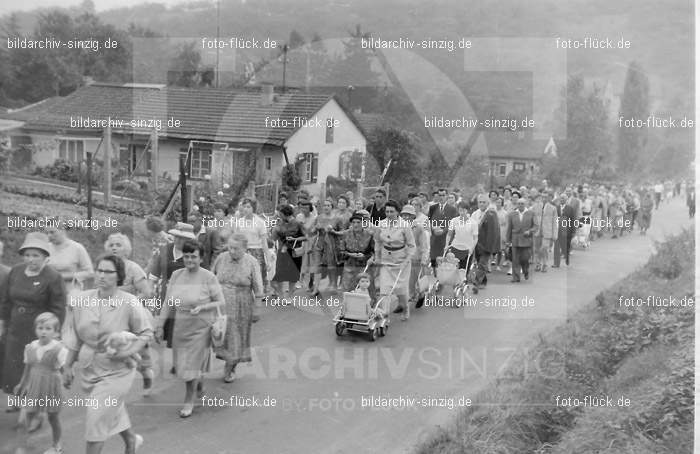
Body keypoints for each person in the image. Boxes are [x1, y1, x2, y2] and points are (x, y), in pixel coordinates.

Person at [62, 255, 152, 454]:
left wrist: (127, 351)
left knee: (96, 418)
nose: (102, 275)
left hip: (119, 370)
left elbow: (145, 333)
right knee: (111, 409)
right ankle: (131, 441)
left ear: (119, 276)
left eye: (108, 272)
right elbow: (76, 336)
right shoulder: (83, 299)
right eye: (99, 270)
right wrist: (68, 365)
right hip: (90, 368)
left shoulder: (130, 302)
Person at [155, 240, 224, 417]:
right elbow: (168, 302)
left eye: (193, 256)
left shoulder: (209, 277)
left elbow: (220, 301)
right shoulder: (177, 275)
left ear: (201, 258)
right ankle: (198, 381)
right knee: (182, 364)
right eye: (186, 256)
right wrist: (160, 326)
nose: (189, 260)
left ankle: (189, 400)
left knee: (190, 365)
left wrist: (203, 307)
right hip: (181, 325)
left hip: (201, 326)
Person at [0, 232, 66, 399]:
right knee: (14, 364)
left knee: (37, 365)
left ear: (45, 256)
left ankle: (35, 402)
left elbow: (58, 308)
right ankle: (19, 396)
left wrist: (54, 332)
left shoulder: (53, 277)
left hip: (38, 329)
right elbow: (6, 300)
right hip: (15, 328)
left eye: (36, 255)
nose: (31, 259)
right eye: (27, 255)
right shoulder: (15, 271)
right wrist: (2, 322)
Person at [104, 232, 155, 395]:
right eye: (111, 245)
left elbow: (146, 292)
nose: (114, 248)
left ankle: (146, 373)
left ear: (126, 249)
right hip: (111, 315)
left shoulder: (133, 268)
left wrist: (128, 303)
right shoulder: (106, 267)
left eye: (118, 245)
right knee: (112, 350)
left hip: (134, 316)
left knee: (139, 351)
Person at [13, 312, 67, 454]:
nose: (43, 331)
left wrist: (67, 381)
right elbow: (28, 368)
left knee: (53, 417)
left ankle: (57, 445)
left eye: (48, 328)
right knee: (25, 417)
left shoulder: (59, 349)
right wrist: (21, 384)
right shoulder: (30, 347)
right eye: (40, 328)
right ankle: (21, 447)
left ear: (56, 332)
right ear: (36, 329)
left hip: (52, 387)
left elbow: (65, 370)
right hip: (34, 386)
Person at [211, 234, 263, 383]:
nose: (232, 251)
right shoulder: (221, 258)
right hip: (220, 303)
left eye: (236, 248)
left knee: (236, 338)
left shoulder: (252, 262)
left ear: (244, 249)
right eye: (230, 247)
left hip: (241, 305)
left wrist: (257, 310)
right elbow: (211, 277)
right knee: (220, 335)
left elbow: (258, 288)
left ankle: (230, 367)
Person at [149, 222, 195, 352]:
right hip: (165, 294)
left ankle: (180, 358)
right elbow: (154, 273)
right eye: (176, 236)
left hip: (184, 297)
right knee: (164, 325)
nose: (178, 240)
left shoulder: (193, 254)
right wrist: (149, 290)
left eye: (182, 238)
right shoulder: (165, 250)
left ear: (189, 239)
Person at [373, 200, 415, 320]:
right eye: (387, 211)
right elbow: (377, 241)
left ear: (398, 212)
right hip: (386, 260)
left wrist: (406, 261)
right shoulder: (381, 224)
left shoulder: (405, 226)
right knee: (384, 288)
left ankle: (405, 308)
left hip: (401, 261)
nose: (389, 214)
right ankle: (384, 313)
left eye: (392, 211)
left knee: (401, 290)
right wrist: (377, 257)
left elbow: (412, 246)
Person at [45, 226, 94, 297]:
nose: (49, 235)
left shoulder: (77, 248)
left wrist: (68, 276)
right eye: (47, 233)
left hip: (71, 291)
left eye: (52, 232)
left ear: (62, 230)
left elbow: (90, 273)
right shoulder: (45, 248)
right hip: (49, 291)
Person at [270, 205, 305, 297]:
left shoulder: (298, 223)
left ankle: (290, 295)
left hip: (294, 252)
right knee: (279, 275)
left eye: (280, 214)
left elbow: (305, 237)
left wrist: (294, 239)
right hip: (282, 252)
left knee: (292, 276)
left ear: (285, 214)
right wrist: (273, 230)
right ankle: (281, 295)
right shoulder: (279, 223)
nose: (279, 216)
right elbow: (273, 238)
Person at [310, 199, 344, 293]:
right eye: (324, 205)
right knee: (317, 266)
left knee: (331, 266)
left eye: (328, 205)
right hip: (319, 244)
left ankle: (333, 284)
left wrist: (333, 231)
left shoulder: (337, 219)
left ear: (332, 207)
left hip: (331, 245)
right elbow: (312, 232)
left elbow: (343, 233)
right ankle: (315, 289)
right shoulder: (319, 217)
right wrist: (315, 228)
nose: (326, 207)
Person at [400, 205, 429, 306]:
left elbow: (423, 245)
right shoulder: (399, 226)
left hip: (416, 257)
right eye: (404, 215)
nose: (406, 217)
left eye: (408, 215)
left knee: (417, 280)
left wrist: (424, 257)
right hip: (403, 258)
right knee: (404, 281)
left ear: (413, 216)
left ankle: (421, 295)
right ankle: (404, 301)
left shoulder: (418, 228)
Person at [338, 213, 374, 292]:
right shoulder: (346, 234)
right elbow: (341, 251)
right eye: (353, 222)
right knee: (347, 289)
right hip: (349, 265)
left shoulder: (369, 235)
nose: (355, 225)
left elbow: (375, 251)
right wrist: (351, 254)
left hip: (364, 266)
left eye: (358, 222)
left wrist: (368, 257)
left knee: (363, 289)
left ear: (363, 223)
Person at [506, 198, 538, 282]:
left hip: (526, 239)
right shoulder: (512, 214)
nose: (520, 205)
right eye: (519, 203)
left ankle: (525, 270)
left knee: (525, 258)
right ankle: (516, 277)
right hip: (515, 239)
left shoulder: (531, 213)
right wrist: (508, 240)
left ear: (526, 204)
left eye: (522, 203)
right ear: (517, 204)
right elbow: (509, 228)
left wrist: (530, 231)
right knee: (515, 259)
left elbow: (536, 226)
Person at [473, 195, 500, 292]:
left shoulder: (491, 214)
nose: (481, 204)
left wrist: (490, 247)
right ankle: (483, 281)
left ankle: (476, 282)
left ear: (488, 203)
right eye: (480, 202)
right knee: (480, 262)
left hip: (486, 244)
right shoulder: (475, 213)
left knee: (482, 263)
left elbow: (493, 231)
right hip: (476, 244)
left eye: (484, 202)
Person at [427, 188, 458, 270]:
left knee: (444, 261)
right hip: (434, 238)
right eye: (439, 195)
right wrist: (433, 228)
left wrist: (443, 230)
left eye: (443, 195)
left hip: (445, 239)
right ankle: (435, 275)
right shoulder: (432, 208)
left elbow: (454, 224)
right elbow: (428, 221)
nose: (441, 197)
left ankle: (442, 278)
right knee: (434, 260)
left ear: (446, 196)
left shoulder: (452, 209)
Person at [446, 200, 477, 273]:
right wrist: (446, 245)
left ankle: (463, 281)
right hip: (455, 247)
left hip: (467, 249)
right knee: (453, 269)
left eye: (464, 210)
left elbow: (475, 238)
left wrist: (472, 248)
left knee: (464, 270)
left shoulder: (473, 222)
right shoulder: (454, 221)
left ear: (468, 210)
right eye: (460, 210)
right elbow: (449, 234)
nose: (462, 212)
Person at [537, 192, 558, 272]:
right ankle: (538, 264)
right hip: (537, 231)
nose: (544, 199)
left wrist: (554, 235)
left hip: (547, 232)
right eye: (542, 197)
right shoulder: (536, 206)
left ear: (549, 198)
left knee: (544, 248)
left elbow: (554, 222)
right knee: (537, 249)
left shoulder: (553, 208)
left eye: (545, 197)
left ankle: (545, 264)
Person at [553, 193, 576, 267]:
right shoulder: (556, 208)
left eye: (563, 198)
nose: (562, 199)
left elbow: (573, 221)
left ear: (566, 200)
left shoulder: (570, 208)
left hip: (566, 231)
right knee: (556, 247)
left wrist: (573, 232)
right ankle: (556, 263)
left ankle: (566, 258)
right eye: (561, 198)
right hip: (557, 230)